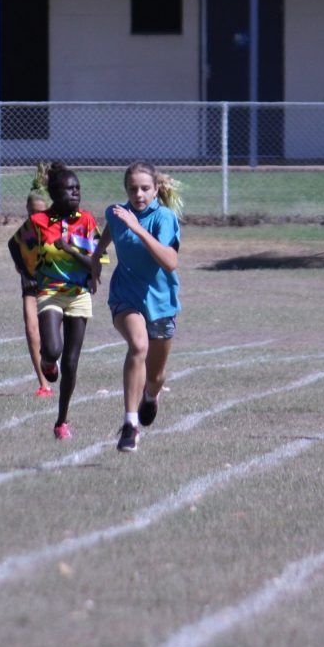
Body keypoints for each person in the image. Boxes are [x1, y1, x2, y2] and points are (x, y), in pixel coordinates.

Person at [93, 162, 182, 454]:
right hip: (125, 296)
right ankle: (130, 425)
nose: (139, 194)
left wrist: (137, 227)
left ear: (156, 189)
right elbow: (110, 231)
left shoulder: (164, 217)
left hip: (160, 301)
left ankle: (150, 396)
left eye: (145, 188)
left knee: (156, 376)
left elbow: (169, 261)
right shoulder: (117, 213)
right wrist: (95, 259)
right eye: (133, 189)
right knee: (138, 346)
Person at [10, 164, 100, 439]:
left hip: (78, 296)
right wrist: (27, 272)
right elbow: (14, 244)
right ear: (55, 194)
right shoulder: (38, 223)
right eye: (69, 189)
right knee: (53, 348)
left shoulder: (86, 221)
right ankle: (48, 361)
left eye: (78, 189)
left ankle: (62, 421)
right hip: (50, 292)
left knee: (71, 363)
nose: (75, 193)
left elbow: (95, 263)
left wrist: (70, 249)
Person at [7, 189, 54, 398]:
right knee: (31, 328)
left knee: (51, 333)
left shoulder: (55, 229)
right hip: (31, 282)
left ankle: (52, 360)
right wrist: (23, 267)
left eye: (41, 212)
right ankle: (44, 385)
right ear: (27, 210)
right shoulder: (25, 232)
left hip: (53, 283)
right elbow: (13, 245)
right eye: (32, 212)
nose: (36, 217)